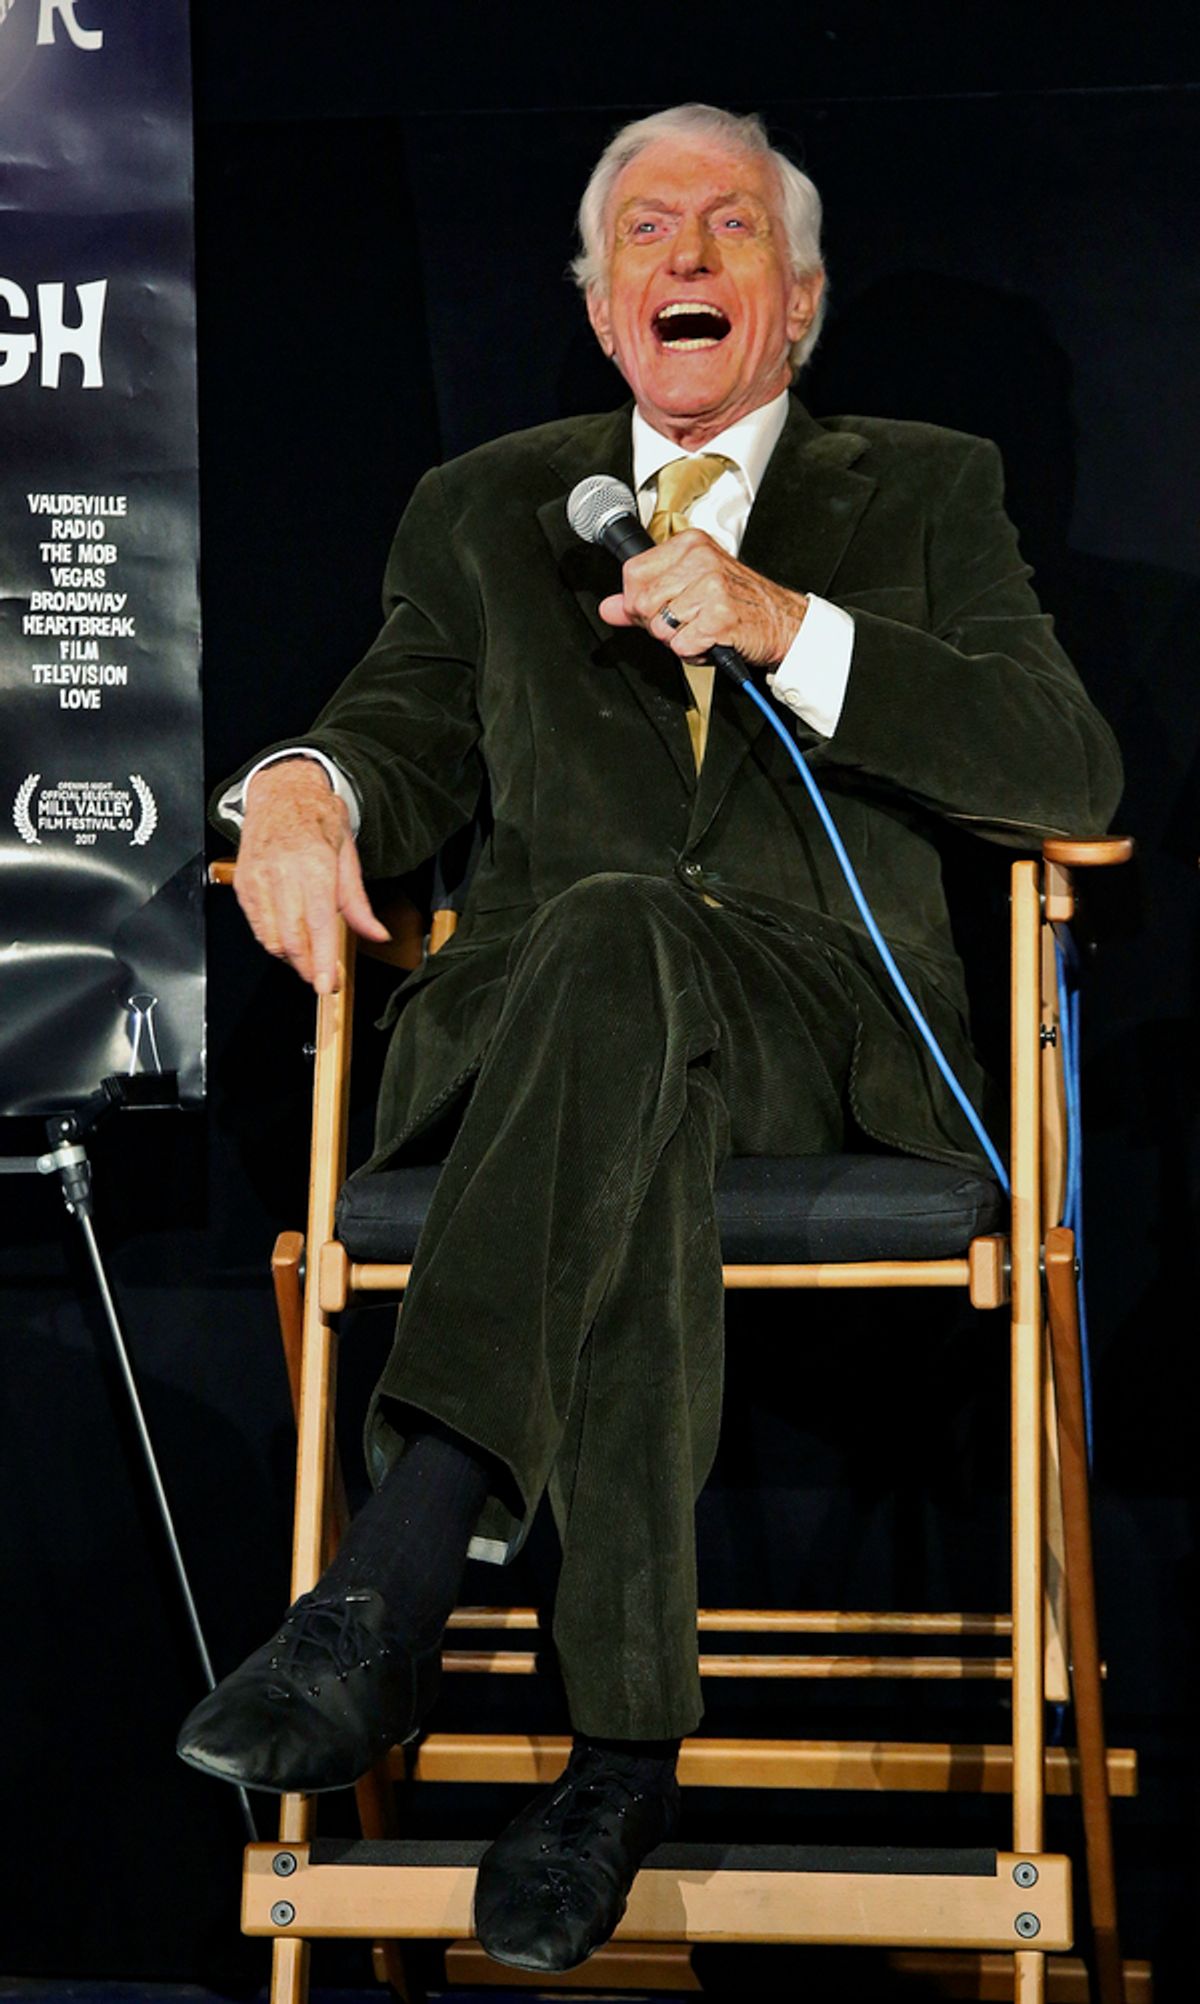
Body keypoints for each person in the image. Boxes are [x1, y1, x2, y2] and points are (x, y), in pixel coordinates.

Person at [178, 103, 1122, 1972]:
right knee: (618, 1014)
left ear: (804, 299)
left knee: (631, 966)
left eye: (733, 231)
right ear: (604, 309)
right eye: (648, 237)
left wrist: (790, 624)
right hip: (550, 1050)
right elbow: (395, 731)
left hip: (820, 1036)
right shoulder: (483, 509)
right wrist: (291, 790)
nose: (687, 260)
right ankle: (617, 1762)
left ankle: (395, 1569)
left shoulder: (925, 488)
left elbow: (1065, 769)